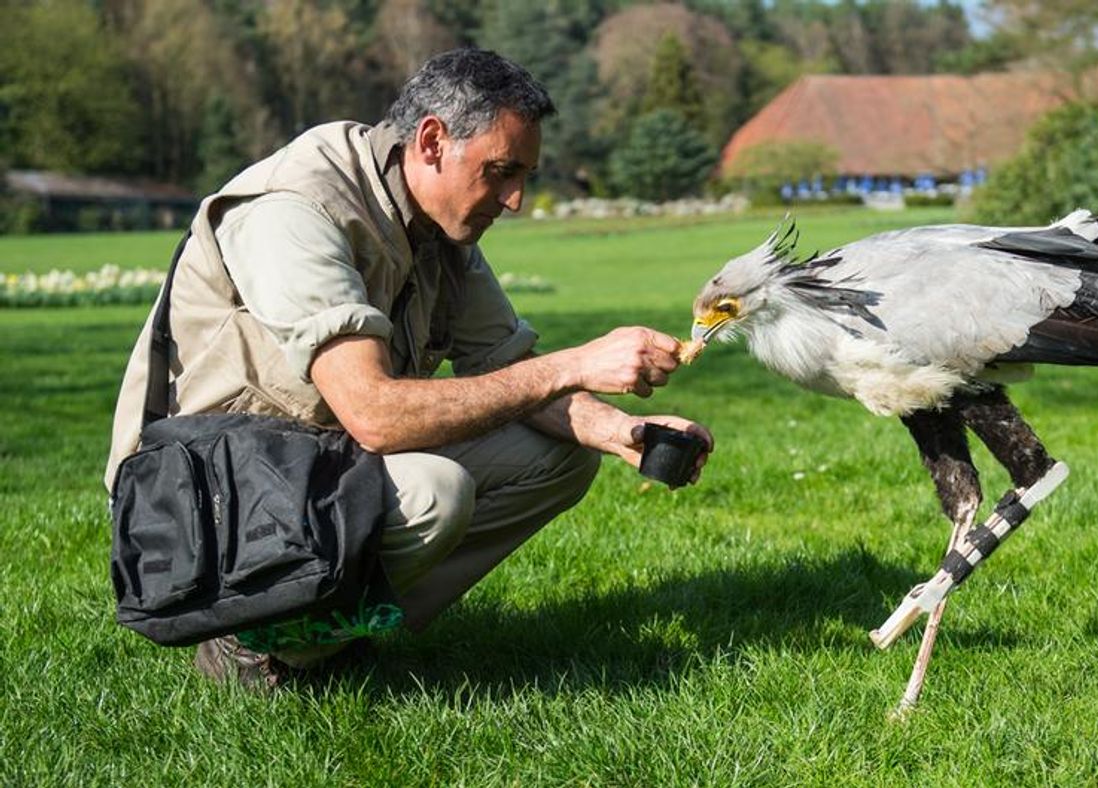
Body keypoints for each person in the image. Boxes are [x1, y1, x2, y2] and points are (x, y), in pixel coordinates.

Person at [104, 47, 713, 689]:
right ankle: (257, 646)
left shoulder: (440, 229)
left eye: (524, 176)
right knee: (432, 491)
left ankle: (338, 632)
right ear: (431, 141)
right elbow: (375, 417)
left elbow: (506, 363)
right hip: (196, 502)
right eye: (502, 172)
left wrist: (624, 431)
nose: (515, 200)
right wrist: (573, 365)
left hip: (304, 464)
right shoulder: (296, 212)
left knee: (560, 455)